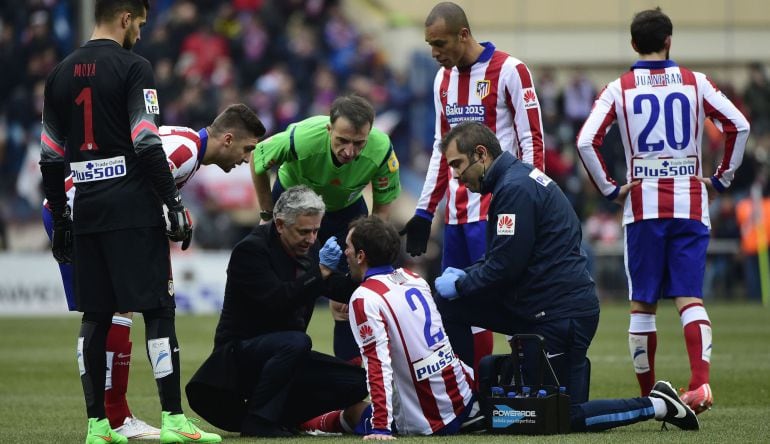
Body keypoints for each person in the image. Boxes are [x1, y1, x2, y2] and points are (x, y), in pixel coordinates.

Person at [313, 216, 699, 435]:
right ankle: (655, 404)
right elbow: (439, 345)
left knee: (562, 419)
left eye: (347, 247)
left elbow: (378, 367)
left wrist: (380, 429)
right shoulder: (413, 280)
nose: (344, 251)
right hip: (466, 395)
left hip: (444, 417)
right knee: (557, 417)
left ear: (361, 255)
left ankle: (655, 405)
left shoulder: (366, 298)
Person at [38, 1, 220, 442]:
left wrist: (61, 216)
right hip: (132, 207)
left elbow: (50, 156)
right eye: (139, 22)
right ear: (124, 18)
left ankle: (97, 426)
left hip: (87, 206)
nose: (139, 30)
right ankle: (175, 420)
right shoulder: (135, 67)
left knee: (96, 316)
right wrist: (173, 201)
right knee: (159, 308)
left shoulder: (59, 73)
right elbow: (146, 142)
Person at [41, 103, 265, 439]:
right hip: (78, 216)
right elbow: (132, 183)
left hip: (83, 213)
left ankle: (113, 420)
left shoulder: (186, 145)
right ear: (228, 139)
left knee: (110, 311)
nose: (247, 160)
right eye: (247, 149)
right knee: (110, 311)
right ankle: (117, 419)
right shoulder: (185, 150)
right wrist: (168, 216)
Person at [575, 7, 749, 412]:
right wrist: (721, 178)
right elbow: (738, 125)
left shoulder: (619, 88)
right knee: (690, 297)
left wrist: (611, 189)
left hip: (643, 206)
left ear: (634, 44)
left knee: (642, 304)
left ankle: (649, 395)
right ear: (669, 40)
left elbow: (586, 141)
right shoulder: (696, 82)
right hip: (690, 201)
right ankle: (700, 385)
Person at [400, 1, 546, 374]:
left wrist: (538, 200)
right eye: (430, 44)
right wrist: (423, 212)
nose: (435, 53)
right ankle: (470, 391)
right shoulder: (442, 80)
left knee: (504, 299)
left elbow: (532, 141)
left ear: (463, 35)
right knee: (455, 301)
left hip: (501, 209)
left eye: (441, 43)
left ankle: (523, 381)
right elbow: (440, 151)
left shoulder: (511, 71)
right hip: (458, 217)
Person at [185, 185, 369, 438]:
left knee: (358, 382)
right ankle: (259, 422)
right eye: (304, 231)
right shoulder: (251, 251)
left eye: (316, 230)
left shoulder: (308, 248)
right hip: (239, 359)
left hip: (288, 356)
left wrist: (368, 274)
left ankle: (281, 418)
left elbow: (335, 287)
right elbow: (277, 300)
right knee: (296, 341)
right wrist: (321, 272)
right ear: (280, 224)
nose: (312, 238)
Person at [249, 94, 401, 365]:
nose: (350, 151)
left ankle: (352, 377)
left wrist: (368, 254)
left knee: (350, 297)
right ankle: (275, 357)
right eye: (342, 140)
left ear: (370, 134)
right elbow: (258, 159)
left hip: (345, 211)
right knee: (288, 285)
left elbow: (382, 209)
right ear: (329, 129)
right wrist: (266, 214)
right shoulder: (302, 138)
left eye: (358, 143)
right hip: (295, 203)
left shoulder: (381, 149)